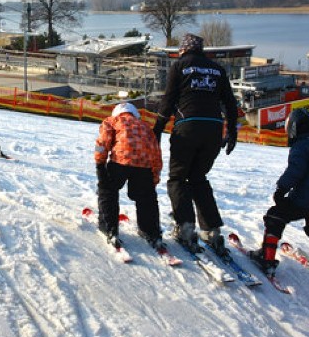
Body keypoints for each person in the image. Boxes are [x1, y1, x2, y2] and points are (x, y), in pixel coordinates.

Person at [152, 33, 238, 254]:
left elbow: (168, 100)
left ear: (183, 49)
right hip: (213, 130)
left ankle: (186, 227)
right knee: (198, 178)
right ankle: (212, 230)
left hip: (187, 127)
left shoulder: (180, 66)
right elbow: (230, 102)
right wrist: (232, 132)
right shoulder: (217, 69)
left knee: (178, 177)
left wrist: (157, 131)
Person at [249, 109, 309, 280]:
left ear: (293, 128)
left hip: (302, 199)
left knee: (275, 216)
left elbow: (295, 170)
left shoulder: (301, 146)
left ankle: (267, 257)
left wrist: (281, 190)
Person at [94, 102, 164, 249]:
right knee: (146, 197)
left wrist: (100, 164)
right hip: (144, 166)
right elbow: (156, 152)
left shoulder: (112, 121)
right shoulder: (146, 127)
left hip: (120, 161)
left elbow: (102, 142)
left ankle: (109, 227)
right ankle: (151, 231)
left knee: (108, 191)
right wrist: (154, 178)